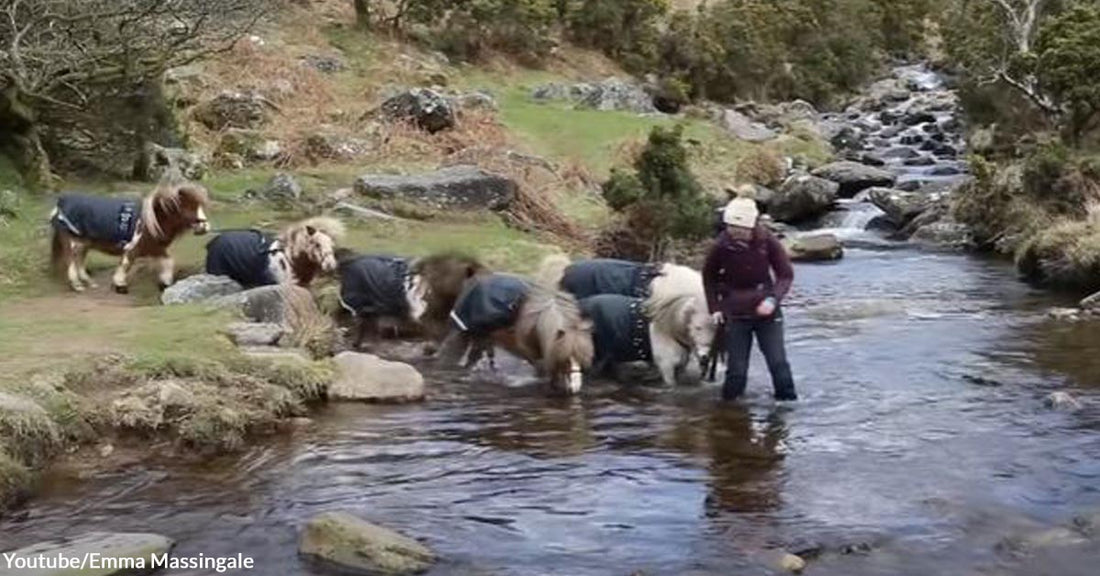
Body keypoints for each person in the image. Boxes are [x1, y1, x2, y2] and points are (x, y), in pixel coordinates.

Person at [703, 197, 797, 402]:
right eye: (731, 228)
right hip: (735, 314)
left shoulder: (767, 241)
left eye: (741, 229)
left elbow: (785, 275)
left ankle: (788, 410)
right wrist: (715, 307)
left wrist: (773, 300)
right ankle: (728, 416)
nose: (736, 233)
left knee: (778, 364)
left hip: (767, 312)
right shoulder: (720, 245)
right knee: (736, 372)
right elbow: (708, 276)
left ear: (752, 226)